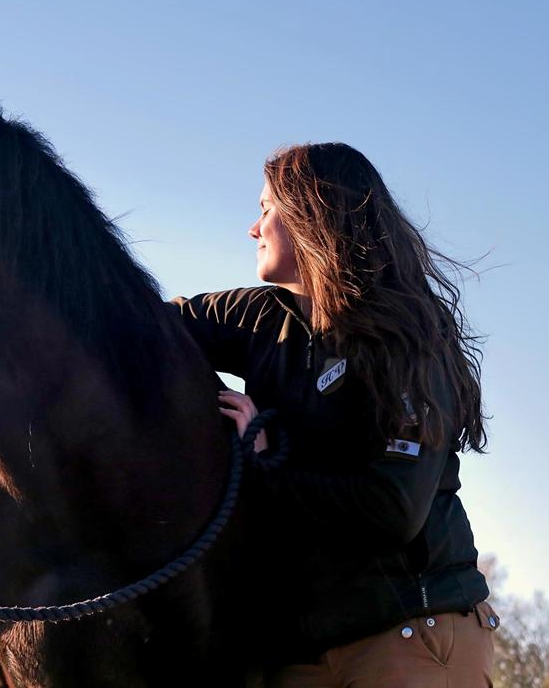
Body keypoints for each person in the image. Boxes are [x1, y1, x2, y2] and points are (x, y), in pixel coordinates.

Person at [171, 142, 497, 687]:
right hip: (299, 648)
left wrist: (263, 463)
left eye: (266, 209)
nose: (253, 229)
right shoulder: (256, 317)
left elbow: (391, 509)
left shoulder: (409, 338)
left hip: (408, 634)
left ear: (310, 216)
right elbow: (139, 323)